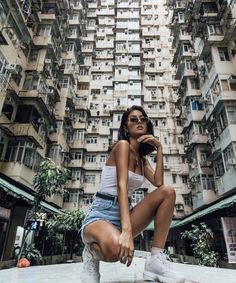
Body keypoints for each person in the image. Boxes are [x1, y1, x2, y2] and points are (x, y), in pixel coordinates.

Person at [80, 105, 185, 283]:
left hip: (125, 214)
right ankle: (90, 253)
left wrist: (159, 148)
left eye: (143, 119)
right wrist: (127, 232)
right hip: (101, 214)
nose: (139, 122)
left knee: (168, 192)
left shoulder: (142, 161)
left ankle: (155, 260)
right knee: (115, 252)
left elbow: (159, 183)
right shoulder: (122, 146)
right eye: (133, 119)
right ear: (125, 127)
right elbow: (122, 186)